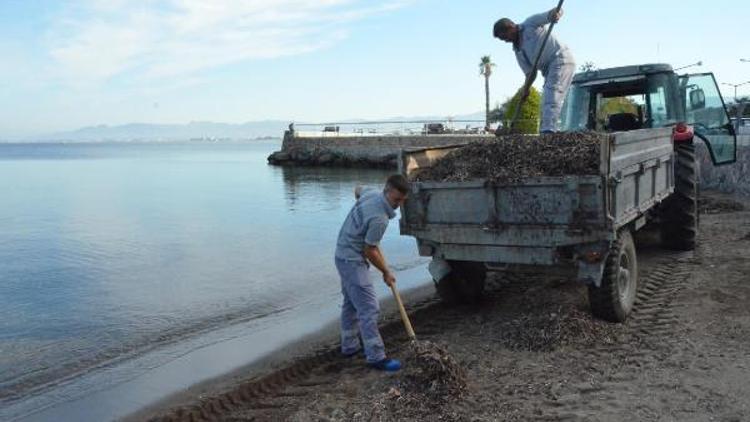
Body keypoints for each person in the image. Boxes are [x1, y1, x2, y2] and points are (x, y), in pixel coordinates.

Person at [334, 174, 410, 372]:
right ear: (386, 191)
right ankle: (376, 356)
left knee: (351, 303)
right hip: (352, 260)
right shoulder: (380, 220)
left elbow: (357, 189)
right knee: (369, 307)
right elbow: (370, 250)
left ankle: (349, 346)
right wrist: (386, 271)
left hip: (341, 254)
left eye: (402, 200)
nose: (398, 205)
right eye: (396, 200)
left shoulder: (371, 193)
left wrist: (361, 203)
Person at [493, 8, 576, 133]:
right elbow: (530, 74)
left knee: (552, 96)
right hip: (548, 70)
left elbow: (554, 12)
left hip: (560, 59)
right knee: (546, 100)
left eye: (504, 36)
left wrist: (555, 15)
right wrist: (525, 90)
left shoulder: (530, 23)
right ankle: (547, 131)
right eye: (502, 39)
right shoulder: (518, 51)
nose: (505, 41)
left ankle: (548, 132)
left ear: (511, 27)